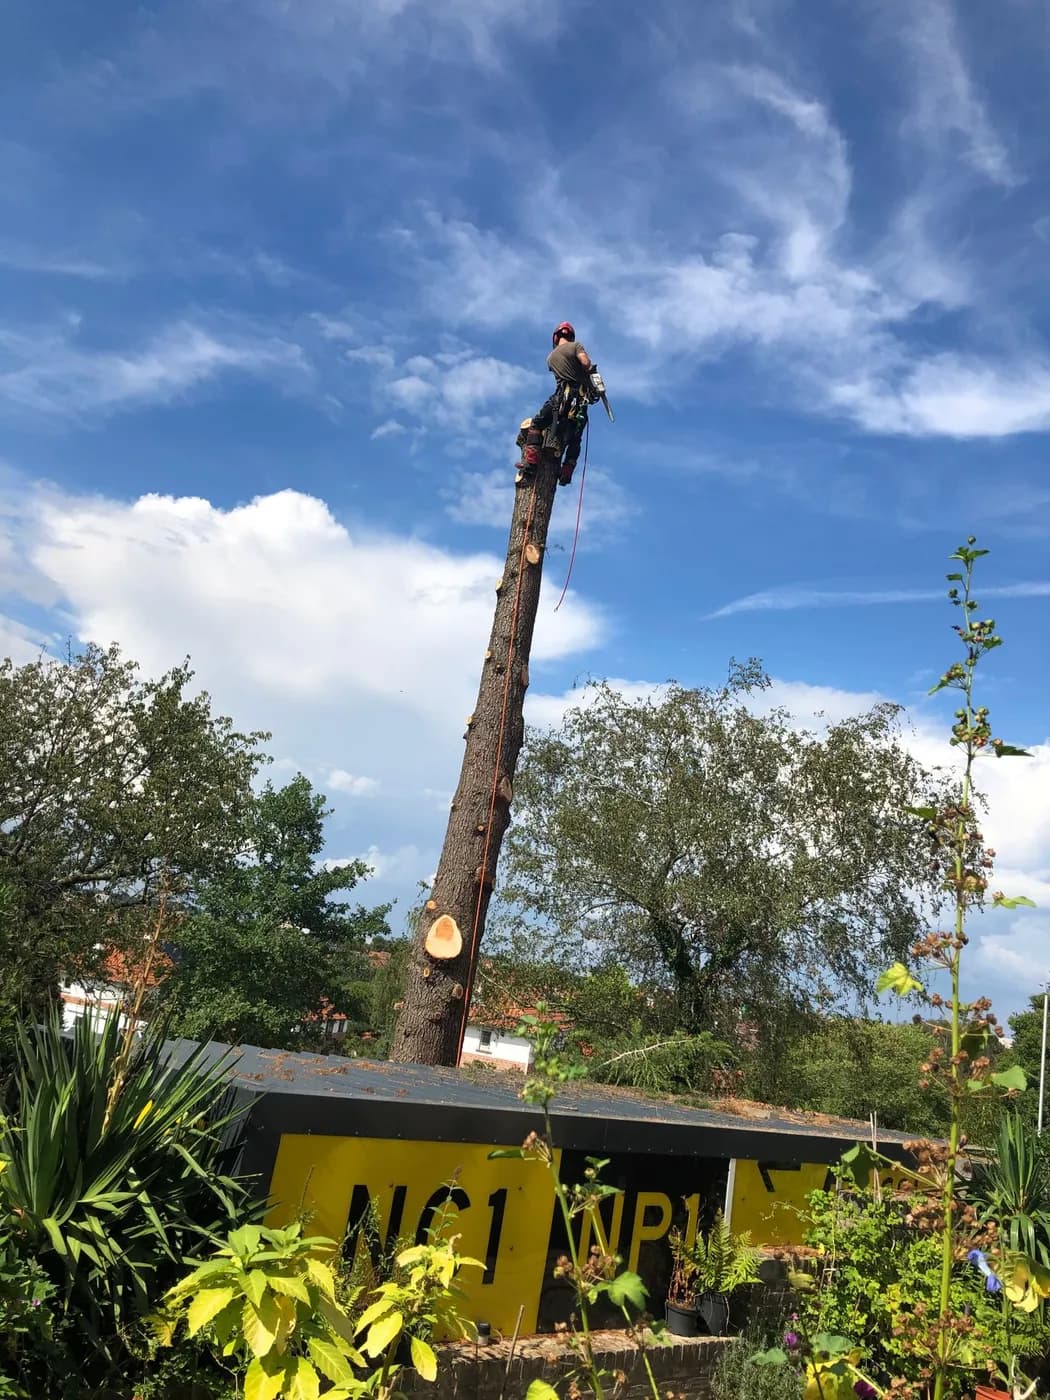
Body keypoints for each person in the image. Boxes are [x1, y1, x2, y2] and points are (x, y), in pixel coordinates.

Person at [520, 322, 594, 486]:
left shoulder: (550, 358)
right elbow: (586, 363)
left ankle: (531, 462)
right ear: (571, 336)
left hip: (561, 399)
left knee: (537, 424)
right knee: (575, 439)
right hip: (580, 403)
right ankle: (566, 473)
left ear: (556, 337)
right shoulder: (576, 346)